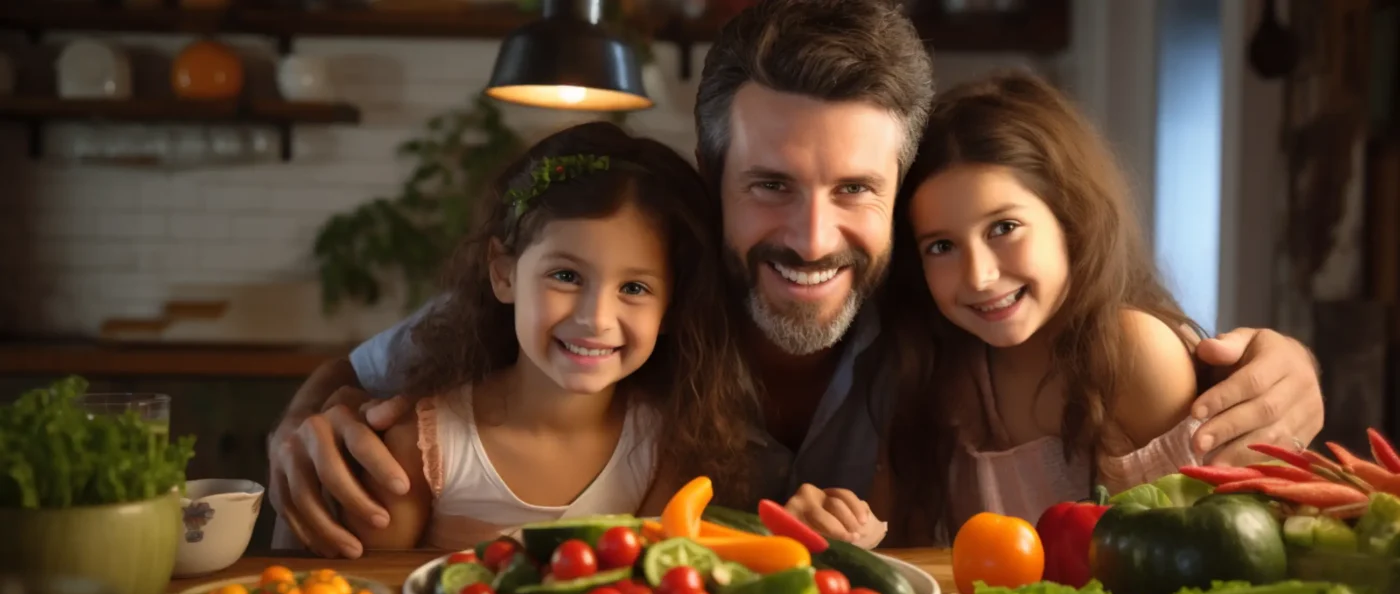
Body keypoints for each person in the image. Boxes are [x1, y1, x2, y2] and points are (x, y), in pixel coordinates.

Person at [268, 0, 1325, 558]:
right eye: (769, 183)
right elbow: (380, 372)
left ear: (904, 191)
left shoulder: (944, 297)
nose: (811, 237)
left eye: (855, 190)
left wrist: (1281, 360)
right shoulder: (637, 281)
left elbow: (1086, 317)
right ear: (710, 176)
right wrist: (303, 426)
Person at [327, 122, 752, 551]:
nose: (596, 318)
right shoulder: (419, 444)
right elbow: (368, 591)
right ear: (503, 272)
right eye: (566, 276)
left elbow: (656, 587)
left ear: (672, 307)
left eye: (634, 289)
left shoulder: (668, 447)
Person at [874, 71, 1222, 540]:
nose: (978, 276)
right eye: (941, 246)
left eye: (1004, 228)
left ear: (1070, 220)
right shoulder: (938, 368)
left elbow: (1194, 556)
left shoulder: (1133, 354)